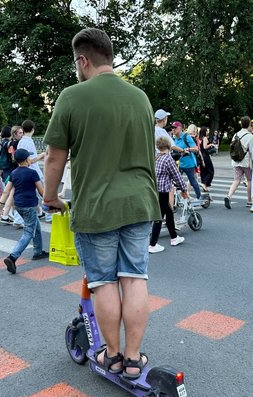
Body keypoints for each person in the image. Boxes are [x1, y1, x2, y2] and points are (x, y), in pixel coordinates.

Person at [42, 28, 160, 379]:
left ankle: (112, 354)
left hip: (97, 207)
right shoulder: (140, 97)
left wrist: (50, 197)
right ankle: (135, 357)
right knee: (135, 279)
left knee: (103, 283)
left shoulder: (72, 96)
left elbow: (53, 158)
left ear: (83, 60)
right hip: (141, 203)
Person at [0, 149, 48, 273]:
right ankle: (12, 257)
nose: (30, 159)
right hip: (29, 206)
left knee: (35, 226)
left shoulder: (14, 173)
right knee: (29, 232)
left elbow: (6, 192)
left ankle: (38, 251)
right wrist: (51, 200)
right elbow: (41, 191)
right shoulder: (32, 173)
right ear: (25, 160)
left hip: (19, 206)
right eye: (29, 157)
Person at [149, 137, 187, 254]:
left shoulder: (156, 158)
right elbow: (176, 175)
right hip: (163, 191)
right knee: (159, 217)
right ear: (169, 146)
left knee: (169, 212)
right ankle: (152, 244)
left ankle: (174, 237)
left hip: (155, 190)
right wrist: (184, 189)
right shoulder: (168, 159)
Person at [16, 120, 47, 219]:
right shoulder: (28, 142)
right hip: (33, 171)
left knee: (27, 194)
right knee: (44, 193)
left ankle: (37, 213)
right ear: (33, 129)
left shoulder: (21, 141)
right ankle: (49, 215)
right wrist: (42, 155)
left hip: (23, 170)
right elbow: (30, 160)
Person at [223, 116, 253, 209]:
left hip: (236, 161)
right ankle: (249, 201)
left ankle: (229, 196)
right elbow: (252, 151)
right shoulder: (250, 136)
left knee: (236, 180)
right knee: (249, 180)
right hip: (246, 162)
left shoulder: (235, 134)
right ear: (249, 124)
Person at [172, 121, 201, 201]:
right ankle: (179, 198)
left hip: (188, 164)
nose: (173, 129)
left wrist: (187, 149)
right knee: (175, 181)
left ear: (180, 128)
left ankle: (199, 197)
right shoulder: (173, 138)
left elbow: (196, 149)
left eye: (175, 128)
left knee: (192, 181)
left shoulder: (186, 136)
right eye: (172, 128)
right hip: (179, 164)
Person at [197, 126, 215, 191]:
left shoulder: (199, 138)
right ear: (204, 131)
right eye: (207, 130)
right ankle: (204, 183)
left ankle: (205, 187)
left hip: (201, 156)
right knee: (211, 171)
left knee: (204, 171)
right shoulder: (204, 138)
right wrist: (211, 145)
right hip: (205, 156)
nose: (208, 132)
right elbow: (205, 147)